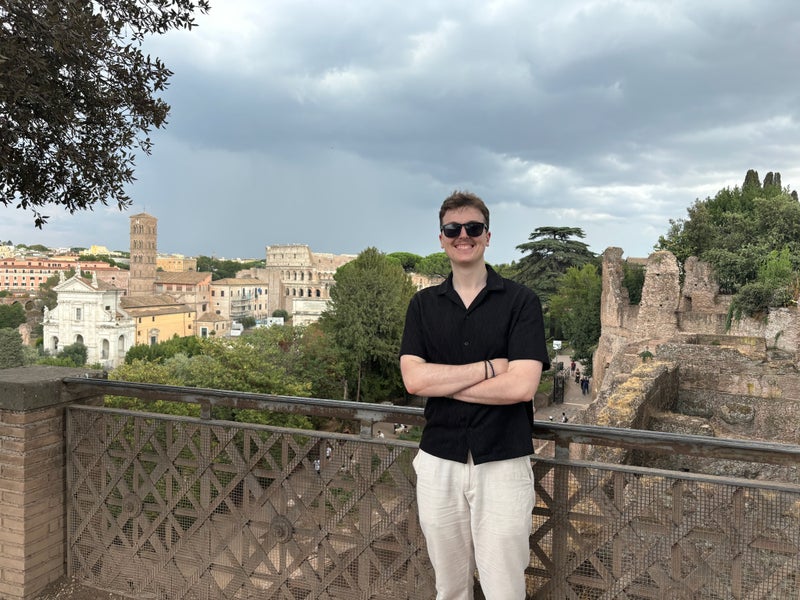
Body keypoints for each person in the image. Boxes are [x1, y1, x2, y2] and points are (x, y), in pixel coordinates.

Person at [400, 190, 550, 599]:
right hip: (439, 460)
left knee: (505, 588)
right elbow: (413, 381)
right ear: (441, 238)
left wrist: (443, 384)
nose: (462, 235)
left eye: (473, 227)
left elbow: (521, 386)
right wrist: (488, 369)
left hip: (503, 461)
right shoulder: (422, 305)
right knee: (449, 589)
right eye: (453, 228)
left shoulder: (521, 302)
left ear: (487, 235)